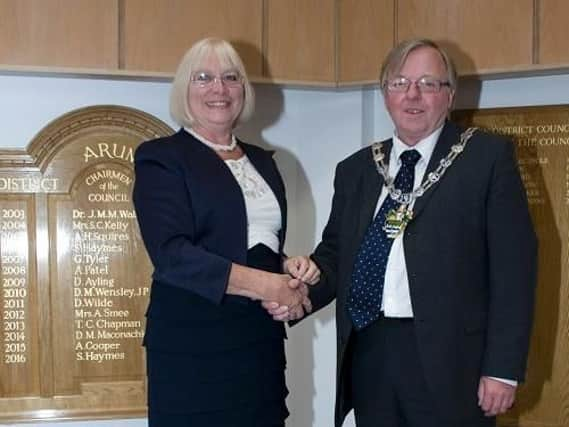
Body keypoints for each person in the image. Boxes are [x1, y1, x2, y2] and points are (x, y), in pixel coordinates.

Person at [268, 38, 537, 427]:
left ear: (449, 95)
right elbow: (336, 255)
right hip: (370, 354)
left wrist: (502, 368)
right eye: (400, 82)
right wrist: (299, 288)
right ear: (385, 93)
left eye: (429, 83)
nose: (413, 94)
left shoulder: (486, 159)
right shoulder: (357, 169)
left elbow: (515, 270)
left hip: (453, 362)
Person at [133, 37, 318, 427]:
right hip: (193, 343)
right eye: (204, 78)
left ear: (244, 90)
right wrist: (268, 286)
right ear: (185, 89)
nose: (219, 89)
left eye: (230, 78)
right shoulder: (161, 157)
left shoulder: (265, 162)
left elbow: (253, 240)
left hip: (257, 341)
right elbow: (172, 255)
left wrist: (290, 269)